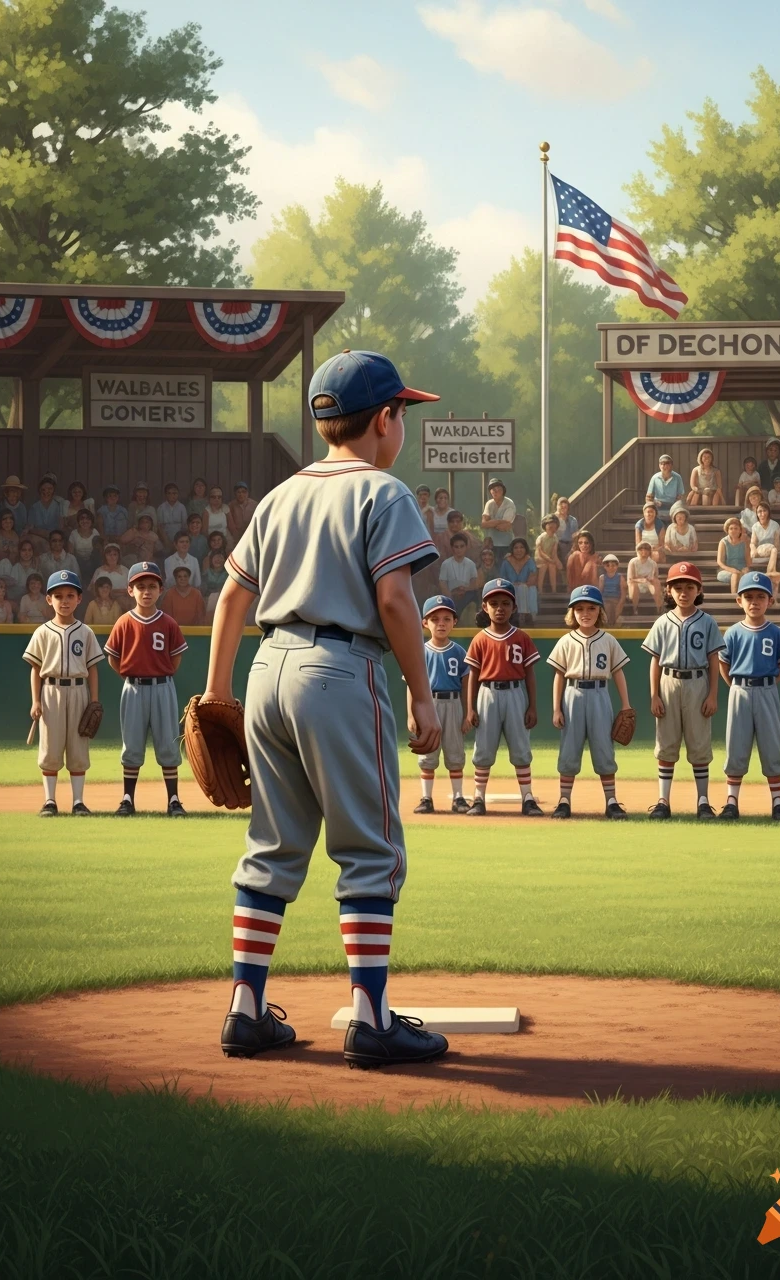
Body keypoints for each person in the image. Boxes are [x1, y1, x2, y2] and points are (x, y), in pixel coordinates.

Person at [205, 347, 448, 1069]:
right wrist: (421, 690)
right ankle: (371, 1020)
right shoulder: (383, 491)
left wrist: (218, 694)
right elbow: (396, 599)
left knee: (273, 847)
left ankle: (245, 1009)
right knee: (370, 847)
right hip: (339, 672)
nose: (403, 426)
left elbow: (232, 598)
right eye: (402, 411)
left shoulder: (280, 496)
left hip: (266, 671)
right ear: (384, 419)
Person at [105, 561, 188, 818]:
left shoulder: (169, 623)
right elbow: (113, 657)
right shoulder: (123, 622)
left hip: (163, 687)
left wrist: (160, 674)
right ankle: (127, 799)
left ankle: (174, 800)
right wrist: (130, 678)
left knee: (168, 744)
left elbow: (176, 659)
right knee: (131, 745)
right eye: (140, 586)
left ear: (161, 589)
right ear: (130, 590)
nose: (146, 591)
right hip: (134, 688)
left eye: (152, 586)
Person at [643, 562, 723, 820]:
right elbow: (655, 661)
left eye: (690, 586)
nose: (683, 592)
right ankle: (663, 801)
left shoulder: (708, 621)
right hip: (668, 681)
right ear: (668, 590)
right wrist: (654, 694)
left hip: (697, 682)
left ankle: (702, 801)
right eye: (678, 587)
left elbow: (714, 660)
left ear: (699, 590)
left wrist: (712, 694)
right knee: (666, 744)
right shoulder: (662, 622)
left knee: (699, 744)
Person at [23, 570, 104, 817]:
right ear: (49, 600)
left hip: (78, 691)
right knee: (51, 747)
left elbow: (92, 669)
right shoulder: (42, 631)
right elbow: (36, 670)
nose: (65, 600)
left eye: (70, 595)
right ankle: (50, 801)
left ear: (79, 599)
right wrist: (35, 700)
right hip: (51, 692)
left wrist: (94, 701)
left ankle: (78, 802)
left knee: (78, 748)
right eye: (58, 596)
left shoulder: (86, 631)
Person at [548, 584, 631, 820]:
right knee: (569, 750)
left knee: (604, 749)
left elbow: (618, 673)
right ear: (572, 612)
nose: (585, 613)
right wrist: (556, 708)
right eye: (579, 608)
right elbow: (558, 676)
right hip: (572, 695)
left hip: (599, 694)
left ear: (600, 611)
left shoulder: (608, 639)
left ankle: (611, 801)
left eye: (591, 608)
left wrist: (625, 704)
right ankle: (564, 801)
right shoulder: (566, 640)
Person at [718, 571, 780, 820]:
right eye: (748, 596)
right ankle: (731, 802)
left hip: (767, 689)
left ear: (770, 601)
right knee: (736, 745)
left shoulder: (776, 633)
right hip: (740, 689)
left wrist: (771, 683)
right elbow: (723, 664)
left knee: (771, 745)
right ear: (739, 600)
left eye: (761, 596)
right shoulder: (732, 633)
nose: (754, 601)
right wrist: (735, 686)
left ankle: (778, 802)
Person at [464, 579, 541, 816]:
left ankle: (527, 798)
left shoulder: (522, 638)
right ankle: (479, 798)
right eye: (494, 603)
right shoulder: (480, 639)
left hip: (516, 693)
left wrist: (532, 707)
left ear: (514, 607)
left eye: (505, 603)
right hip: (488, 693)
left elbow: (530, 675)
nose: (500, 608)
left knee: (520, 748)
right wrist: (470, 709)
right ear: (485, 607)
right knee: (484, 749)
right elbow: (473, 676)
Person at [410, 595, 470, 815]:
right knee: (428, 752)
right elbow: (411, 685)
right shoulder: (420, 652)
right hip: (428, 704)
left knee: (455, 752)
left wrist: (466, 713)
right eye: (435, 619)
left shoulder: (459, 652)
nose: (441, 623)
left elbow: (466, 684)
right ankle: (426, 798)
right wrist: (411, 714)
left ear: (455, 622)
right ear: (425, 623)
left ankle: (458, 798)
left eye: (447, 618)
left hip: (453, 703)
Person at [438, 533, 480, 620]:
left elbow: (474, 583)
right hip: (451, 596)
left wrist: (465, 589)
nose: (459, 549)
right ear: (452, 548)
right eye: (456, 547)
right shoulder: (446, 564)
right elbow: (443, 584)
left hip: (467, 596)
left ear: (466, 547)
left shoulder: (471, 564)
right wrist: (451, 596)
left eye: (462, 546)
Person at [481, 478, 516, 568]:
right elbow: (484, 524)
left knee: (505, 567)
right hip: (491, 544)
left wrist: (491, 522)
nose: (496, 492)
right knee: (492, 568)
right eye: (493, 490)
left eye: (498, 489)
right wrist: (499, 521)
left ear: (503, 491)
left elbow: (503, 527)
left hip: (506, 543)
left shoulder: (509, 504)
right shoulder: (489, 504)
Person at [503, 537, 538, 625]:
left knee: (528, 588)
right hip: (510, 587)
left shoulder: (529, 561)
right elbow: (502, 579)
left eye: (521, 547)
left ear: (525, 549)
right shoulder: (506, 562)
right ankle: (517, 615)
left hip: (526, 587)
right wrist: (513, 585)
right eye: (516, 548)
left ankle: (526, 616)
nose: (519, 550)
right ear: (512, 549)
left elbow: (533, 578)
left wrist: (524, 584)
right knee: (517, 588)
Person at [27, 475, 65, 551]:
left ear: (54, 491)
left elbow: (61, 528)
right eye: (43, 489)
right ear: (39, 491)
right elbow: (30, 528)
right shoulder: (34, 507)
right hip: (38, 538)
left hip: (55, 538)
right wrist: (43, 534)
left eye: (49, 489)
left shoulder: (59, 505)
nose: (46, 492)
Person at [716, 517, 750, 595]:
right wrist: (732, 570)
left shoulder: (744, 542)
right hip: (726, 570)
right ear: (727, 530)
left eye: (736, 528)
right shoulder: (723, 542)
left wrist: (746, 568)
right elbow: (720, 562)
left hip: (742, 569)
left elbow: (748, 560)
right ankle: (734, 598)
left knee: (746, 575)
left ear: (740, 530)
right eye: (731, 528)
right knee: (735, 575)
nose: (733, 530)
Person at [627, 541, 662, 614]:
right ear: (637, 550)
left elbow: (655, 577)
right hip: (635, 584)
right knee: (634, 585)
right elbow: (631, 578)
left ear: (649, 551)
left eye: (646, 549)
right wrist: (640, 579)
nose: (644, 551)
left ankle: (659, 608)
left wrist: (649, 580)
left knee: (656, 582)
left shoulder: (653, 563)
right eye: (641, 549)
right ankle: (635, 609)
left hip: (649, 584)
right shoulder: (633, 562)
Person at [68, 509, 100, 585]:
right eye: (82, 518)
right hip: (78, 562)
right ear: (78, 521)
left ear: (91, 521)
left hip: (93, 562)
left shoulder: (95, 532)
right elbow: (71, 553)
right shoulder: (74, 534)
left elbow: (99, 551)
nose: (85, 521)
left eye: (88, 519)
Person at [0, 538, 37, 602]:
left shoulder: (36, 568)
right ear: (19, 551)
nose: (27, 553)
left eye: (29, 550)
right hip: (13, 601)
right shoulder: (15, 567)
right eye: (24, 550)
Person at [749, 502, 780, 578]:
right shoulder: (755, 526)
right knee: (774, 550)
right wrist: (753, 550)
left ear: (768, 512)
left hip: (773, 551)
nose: (762, 514)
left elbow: (777, 543)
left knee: (774, 550)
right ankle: (771, 572)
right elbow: (752, 543)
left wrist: (777, 551)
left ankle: (770, 571)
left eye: (764, 511)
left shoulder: (775, 525)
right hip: (760, 551)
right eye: (760, 511)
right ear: (757, 514)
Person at [158, 482, 189, 551]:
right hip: (165, 538)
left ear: (178, 494)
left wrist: (179, 541)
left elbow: (184, 526)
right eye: (169, 493)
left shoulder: (182, 507)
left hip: (179, 538)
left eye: (174, 493)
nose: (172, 495)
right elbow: (160, 527)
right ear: (166, 495)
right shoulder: (161, 508)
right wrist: (166, 541)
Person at [534, 515, 561, 593]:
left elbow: (554, 552)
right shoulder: (541, 537)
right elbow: (540, 551)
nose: (552, 528)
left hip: (549, 557)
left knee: (552, 566)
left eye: (554, 526)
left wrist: (556, 561)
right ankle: (540, 589)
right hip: (540, 557)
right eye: (550, 526)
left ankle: (554, 589)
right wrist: (549, 559)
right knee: (544, 566)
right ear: (545, 526)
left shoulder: (555, 538)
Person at [99, 542, 130, 607]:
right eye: (109, 554)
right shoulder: (99, 571)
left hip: (123, 601)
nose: (112, 557)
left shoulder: (125, 570)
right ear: (105, 556)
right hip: (103, 601)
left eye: (114, 554)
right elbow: (93, 589)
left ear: (118, 556)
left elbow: (131, 589)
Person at [598, 553, 625, 627]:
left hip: (616, 599)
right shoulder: (602, 577)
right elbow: (600, 592)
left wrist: (620, 604)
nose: (610, 567)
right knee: (608, 615)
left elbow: (623, 594)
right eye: (608, 565)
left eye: (613, 565)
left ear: (617, 566)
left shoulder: (620, 577)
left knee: (616, 616)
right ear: (604, 566)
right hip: (605, 599)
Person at [554, 497, 578, 574]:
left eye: (565, 507)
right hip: (556, 545)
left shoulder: (572, 520)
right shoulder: (553, 519)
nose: (563, 509)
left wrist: (573, 548)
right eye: (561, 507)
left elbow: (575, 536)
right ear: (557, 507)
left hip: (570, 545)